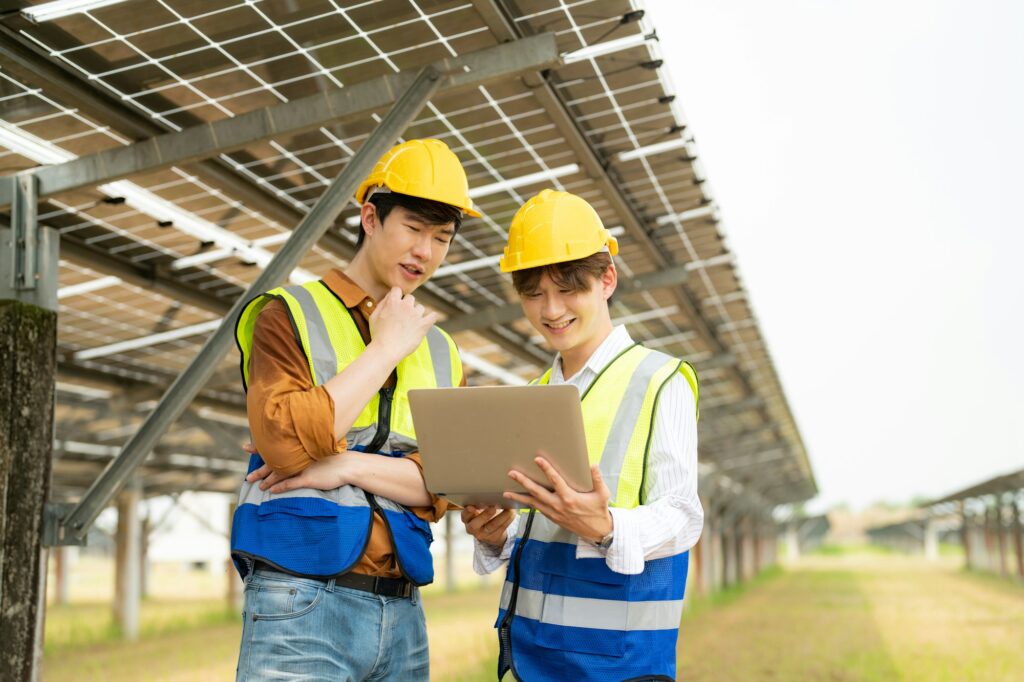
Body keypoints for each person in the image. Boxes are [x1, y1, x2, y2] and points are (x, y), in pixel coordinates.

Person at [230, 138, 478, 681]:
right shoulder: (288, 314)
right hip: (299, 602)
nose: (426, 251)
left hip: (403, 608)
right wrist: (385, 348)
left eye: (442, 238)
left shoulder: (442, 351)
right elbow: (286, 447)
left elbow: (447, 484)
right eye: (413, 229)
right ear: (370, 217)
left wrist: (343, 463)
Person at [462, 189, 703, 681]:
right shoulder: (532, 395)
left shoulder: (659, 380)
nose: (551, 310)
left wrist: (609, 526)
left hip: (620, 665)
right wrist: (496, 535)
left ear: (606, 279)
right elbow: (542, 532)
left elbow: (683, 515)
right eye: (533, 293)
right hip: (531, 661)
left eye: (568, 288)